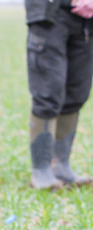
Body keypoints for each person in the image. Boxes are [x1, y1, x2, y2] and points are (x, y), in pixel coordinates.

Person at [26, 0, 93, 189]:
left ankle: (61, 166)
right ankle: (41, 170)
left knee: (77, 92)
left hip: (85, 20)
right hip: (50, 13)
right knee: (48, 92)